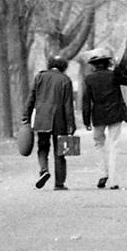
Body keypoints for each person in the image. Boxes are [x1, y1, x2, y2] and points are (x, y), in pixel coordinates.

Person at [82, 47, 127, 190]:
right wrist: (120, 69)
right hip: (115, 113)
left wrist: (86, 120)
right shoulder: (114, 75)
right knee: (113, 145)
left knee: (99, 144)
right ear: (108, 63)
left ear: (93, 65)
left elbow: (86, 101)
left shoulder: (89, 79)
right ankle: (113, 180)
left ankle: (102, 173)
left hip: (98, 115)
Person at [23, 55, 76, 190]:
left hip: (42, 118)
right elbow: (68, 105)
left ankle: (44, 170)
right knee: (60, 152)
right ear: (64, 66)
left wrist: (26, 116)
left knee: (42, 147)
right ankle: (59, 183)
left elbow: (31, 99)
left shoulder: (39, 77)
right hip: (60, 120)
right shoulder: (65, 80)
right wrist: (71, 125)